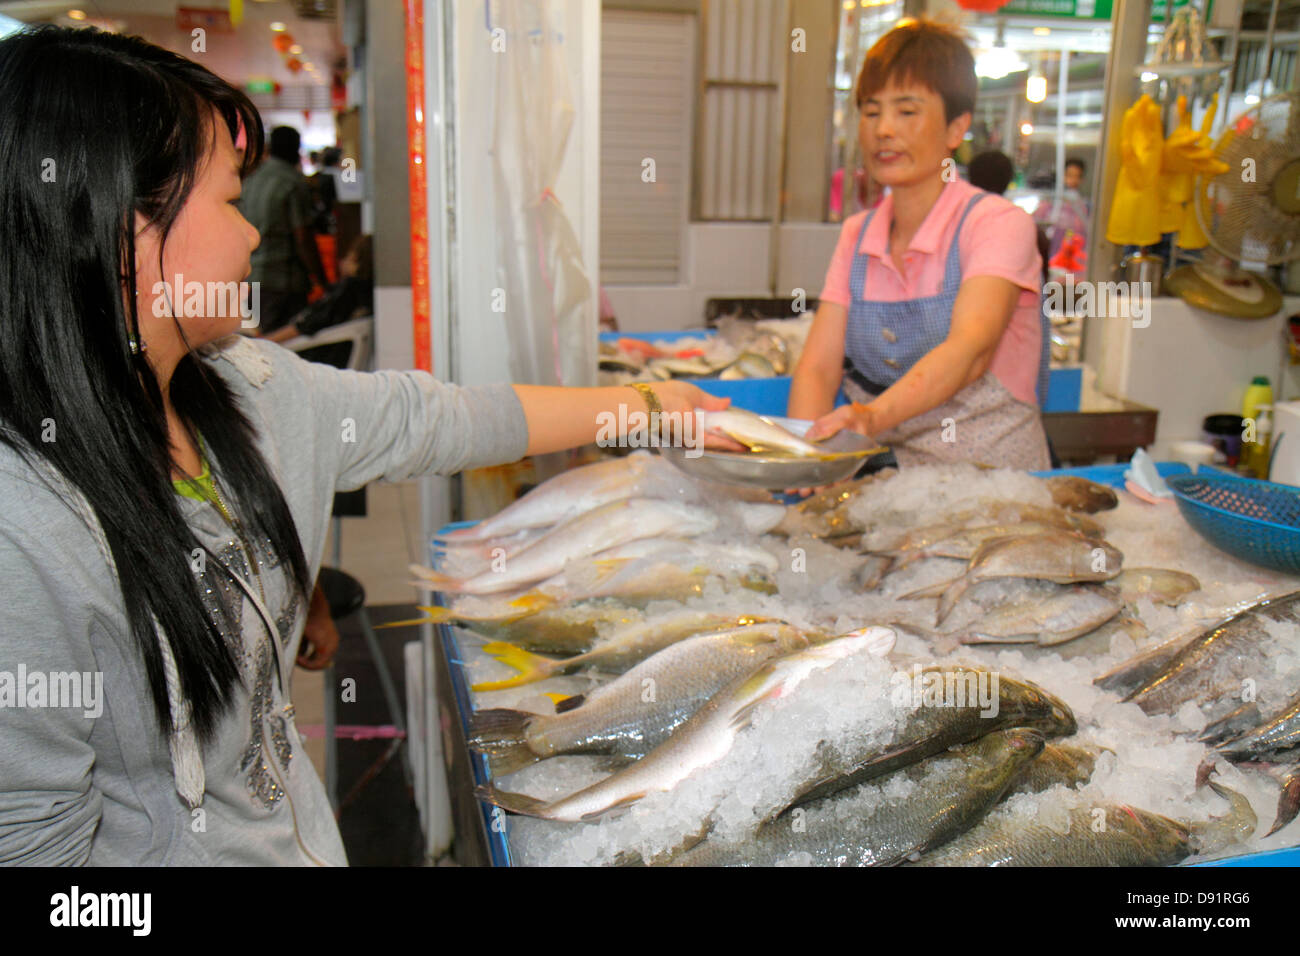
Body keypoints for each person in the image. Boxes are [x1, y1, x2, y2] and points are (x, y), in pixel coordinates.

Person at [0, 25, 726, 865]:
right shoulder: (28, 528)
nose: (248, 237)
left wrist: (643, 405)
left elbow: (442, 419)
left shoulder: (249, 390)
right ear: (127, 226)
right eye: (231, 200)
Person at [793, 19, 1049, 470]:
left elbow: (970, 351)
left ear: (956, 128)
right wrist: (802, 459)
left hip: (995, 490)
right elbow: (818, 367)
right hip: (896, 488)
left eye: (906, 112)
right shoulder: (856, 234)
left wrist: (872, 417)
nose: (884, 130)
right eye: (871, 113)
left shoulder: (997, 223)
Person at [239, 125, 331, 334]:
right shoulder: (293, 182)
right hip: (284, 283)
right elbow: (303, 238)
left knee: (257, 345)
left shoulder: (251, 181)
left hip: (252, 279)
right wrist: (322, 280)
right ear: (296, 149)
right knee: (282, 350)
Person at [1033, 157, 1090, 268]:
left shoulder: (1082, 206)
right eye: (1069, 175)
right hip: (1051, 255)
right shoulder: (1051, 202)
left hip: (1071, 259)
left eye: (1077, 176)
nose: (1073, 180)